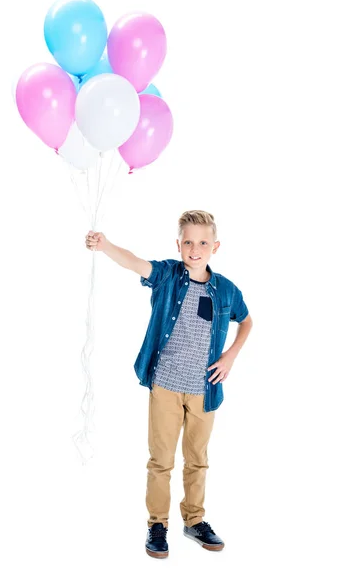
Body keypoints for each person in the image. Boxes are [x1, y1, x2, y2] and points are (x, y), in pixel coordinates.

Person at [85, 210, 253, 558]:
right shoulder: (168, 276)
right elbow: (135, 263)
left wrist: (230, 356)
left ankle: (194, 521)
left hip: (204, 389)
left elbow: (247, 321)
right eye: (188, 241)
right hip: (166, 385)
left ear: (215, 247)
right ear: (178, 245)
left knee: (198, 459)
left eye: (203, 242)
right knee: (161, 460)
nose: (195, 248)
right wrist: (105, 245)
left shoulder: (226, 290)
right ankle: (157, 525)